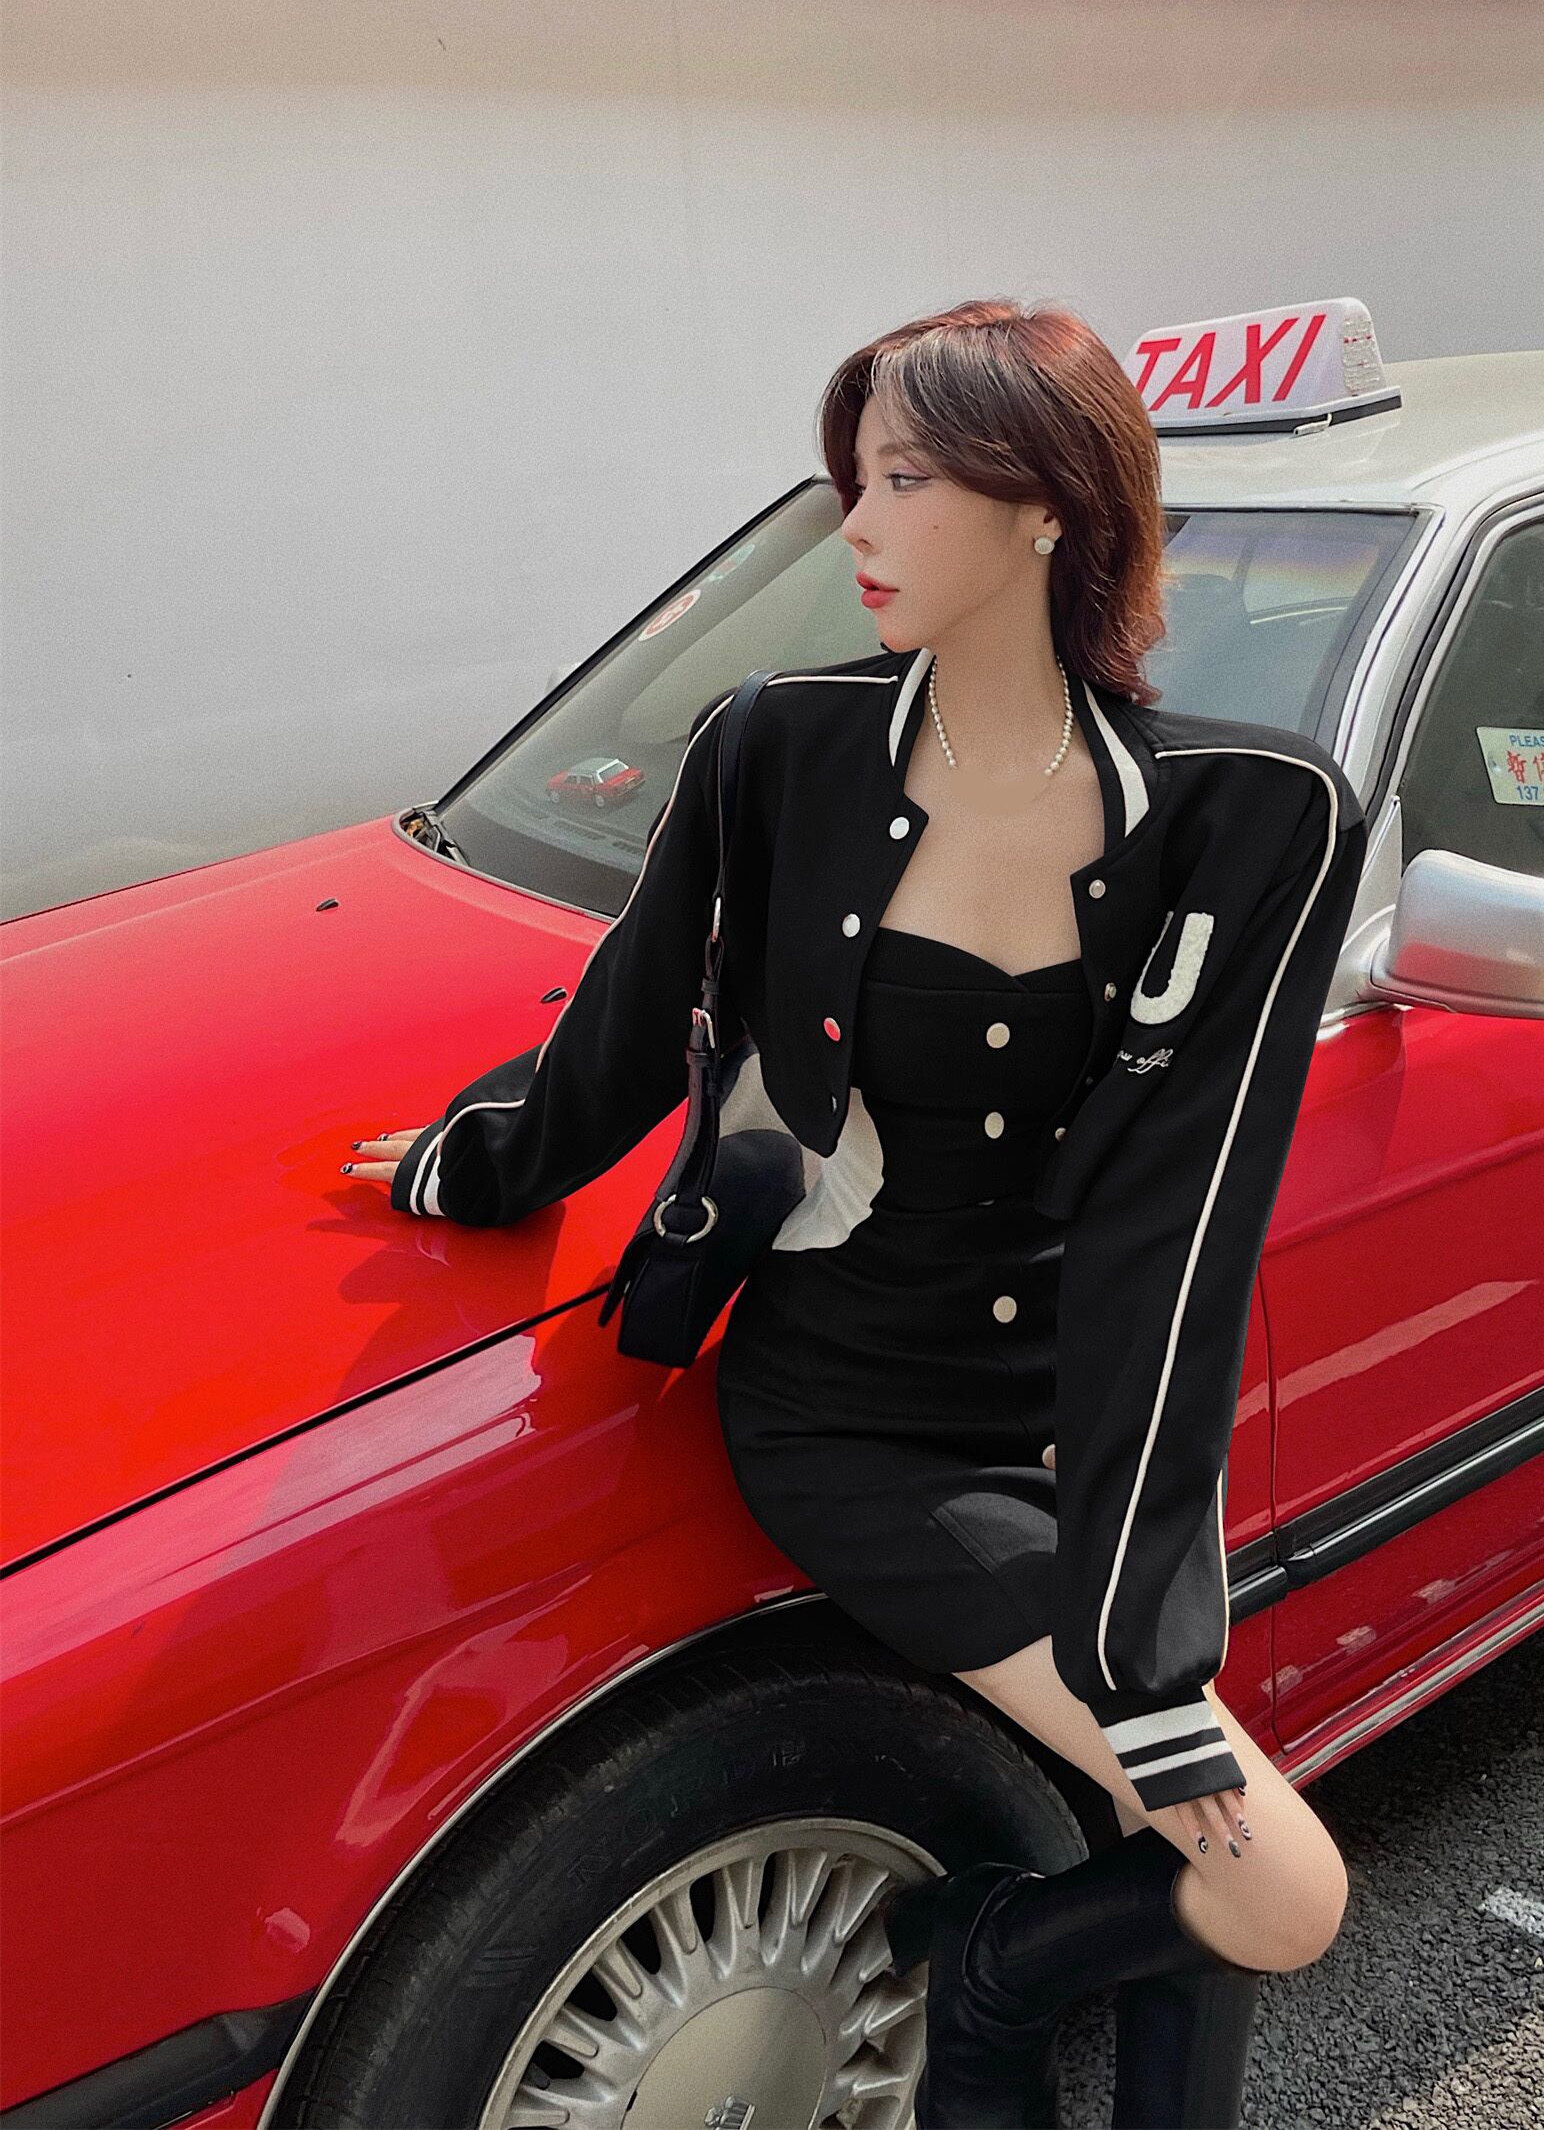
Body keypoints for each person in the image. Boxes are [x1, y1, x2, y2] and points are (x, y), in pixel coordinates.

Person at [347, 297, 1367, 2128]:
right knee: (1275, 1885)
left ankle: (987, 1974)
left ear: (1048, 504)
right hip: (857, 1423)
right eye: (854, 479)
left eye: (906, 479)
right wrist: (475, 1159)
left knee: (1215, 1858)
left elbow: (1181, 1231)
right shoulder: (778, 745)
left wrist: (1144, 1649)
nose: (860, 524)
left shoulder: (1254, 816)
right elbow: (635, 1013)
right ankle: (989, 1978)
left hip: (1080, 1433)